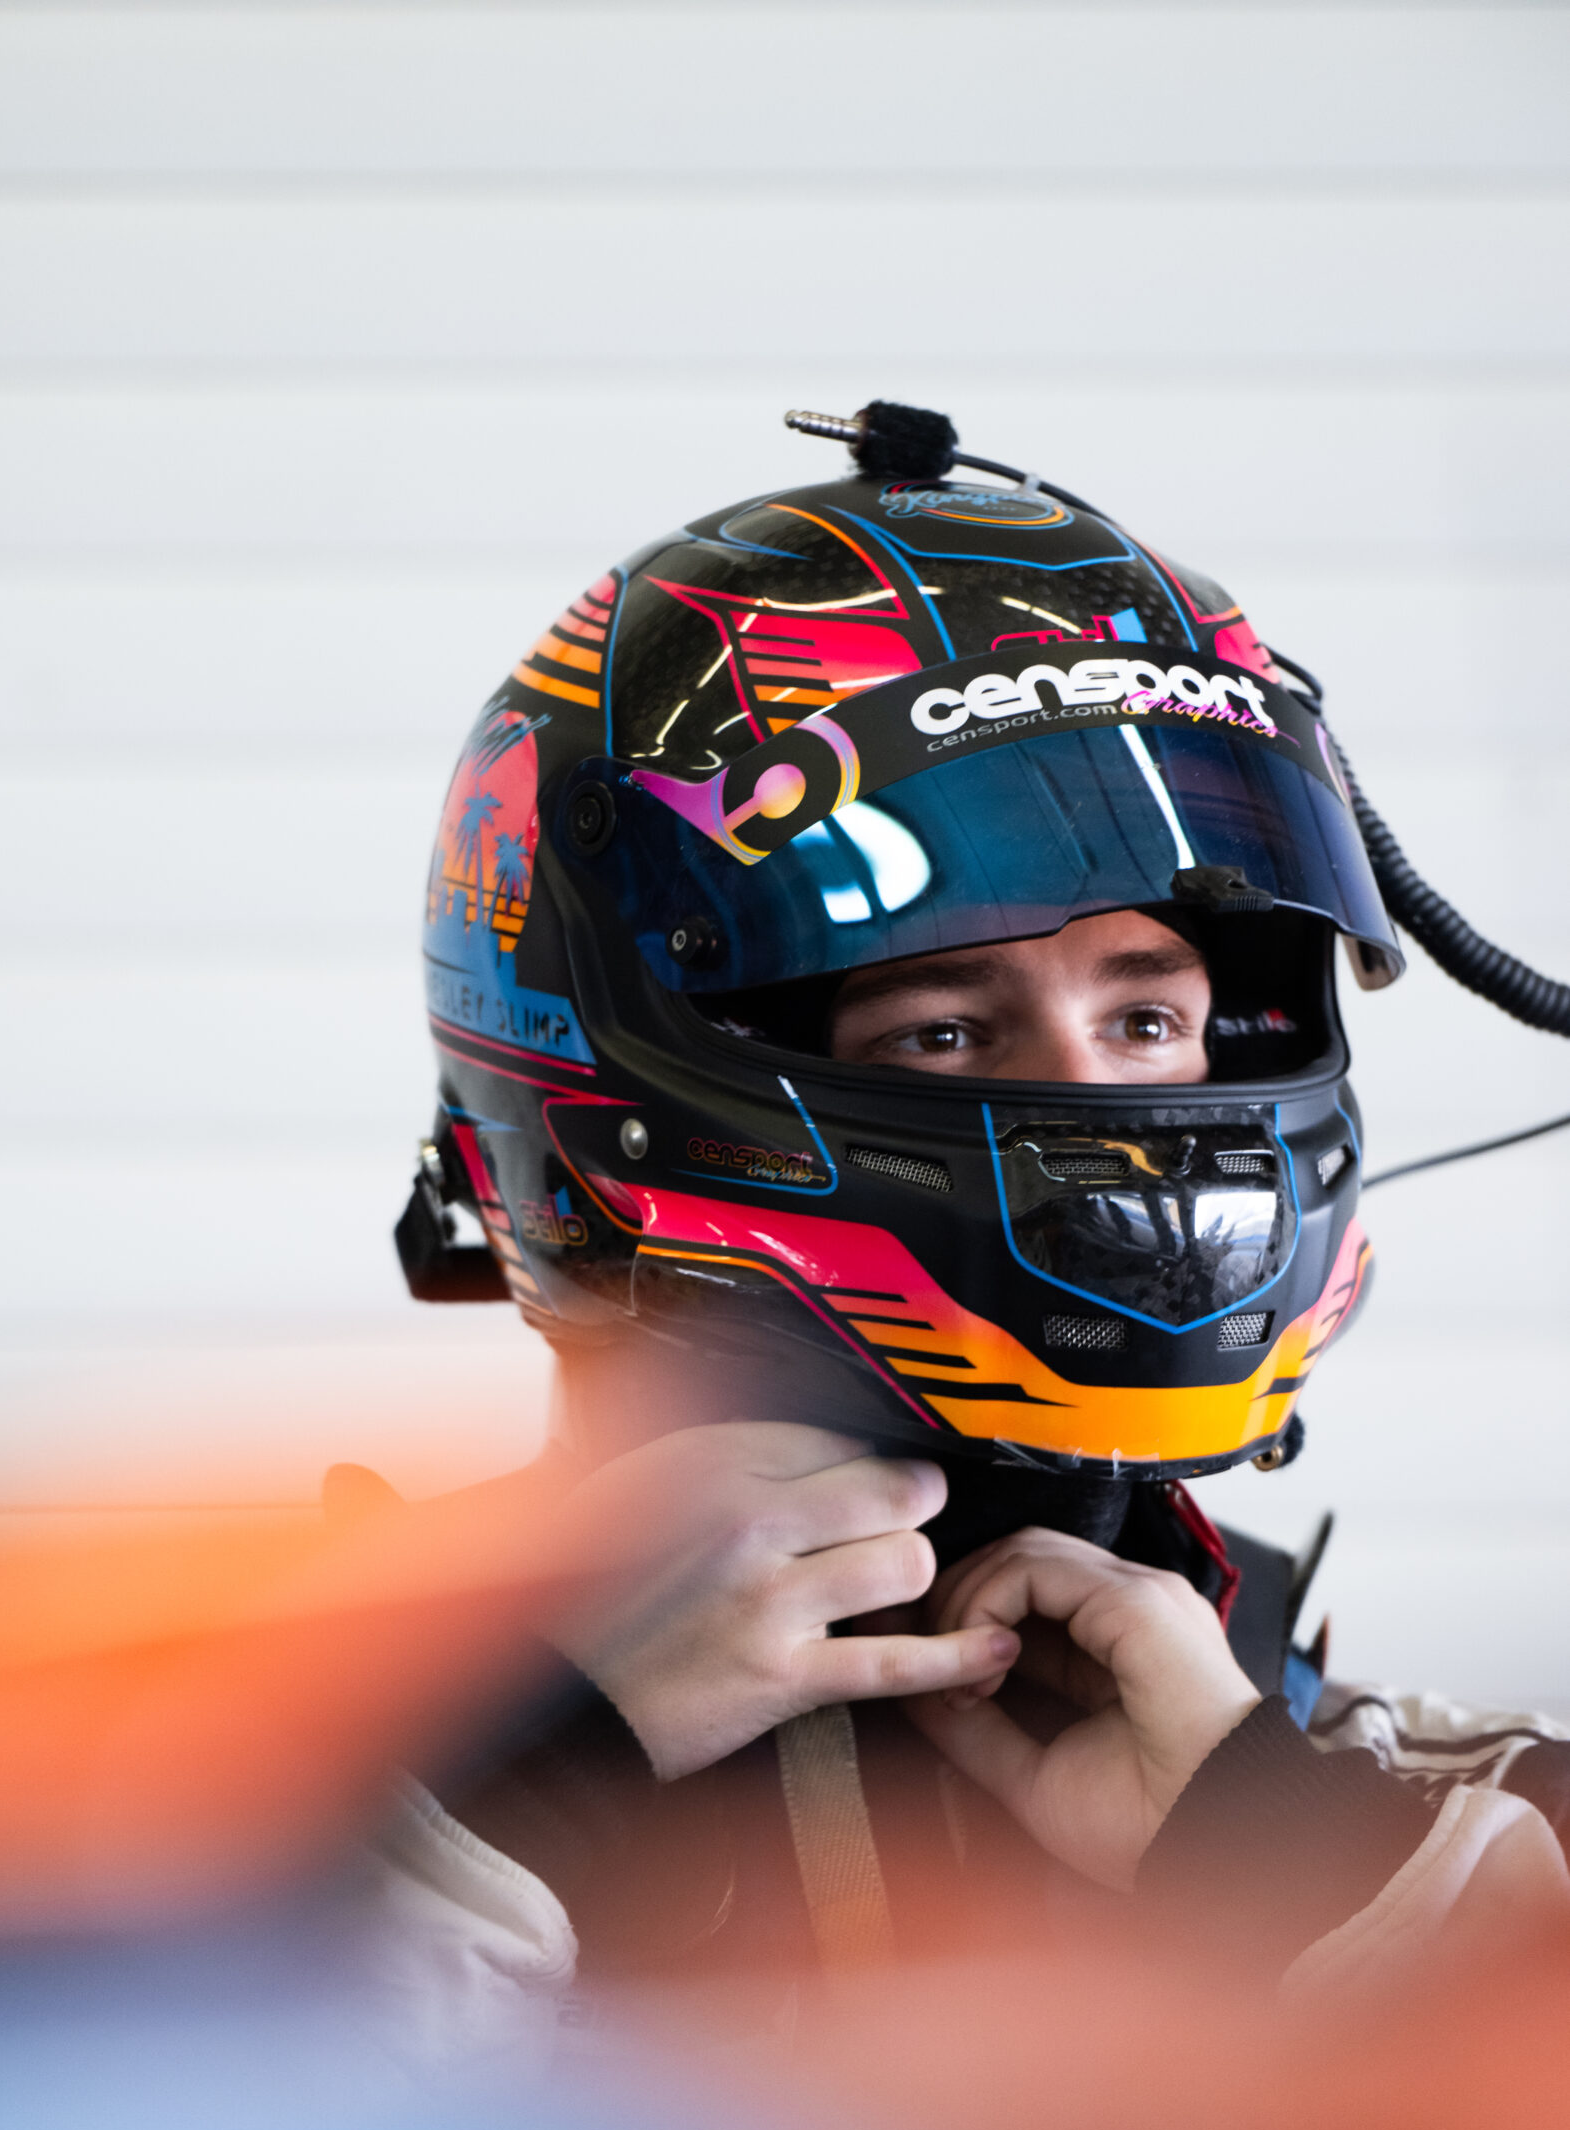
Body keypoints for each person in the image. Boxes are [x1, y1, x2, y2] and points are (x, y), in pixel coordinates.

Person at [379, 407, 1570, 2015]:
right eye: (941, 1031)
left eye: (1147, 1020)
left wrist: (1285, 1858)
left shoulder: (1374, 1781)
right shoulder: (281, 1765)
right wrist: (541, 1771)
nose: (1103, 1110)